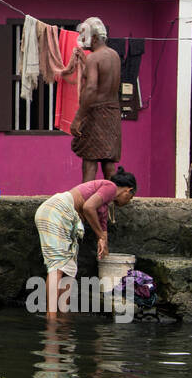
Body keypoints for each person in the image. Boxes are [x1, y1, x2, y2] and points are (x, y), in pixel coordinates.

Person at [34, 167, 137, 316]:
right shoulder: (110, 187)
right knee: (57, 265)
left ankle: (62, 316)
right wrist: (100, 237)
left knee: (69, 268)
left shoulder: (104, 204)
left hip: (62, 217)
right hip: (57, 212)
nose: (129, 201)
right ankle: (51, 318)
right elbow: (88, 207)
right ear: (128, 190)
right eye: (131, 198)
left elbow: (103, 232)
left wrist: (105, 250)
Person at [69, 17, 123, 182]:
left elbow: (92, 88)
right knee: (108, 160)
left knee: (90, 158)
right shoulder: (114, 56)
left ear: (93, 38)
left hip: (96, 113)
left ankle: (85, 202)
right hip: (113, 113)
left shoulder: (94, 58)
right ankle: (112, 201)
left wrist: (78, 118)